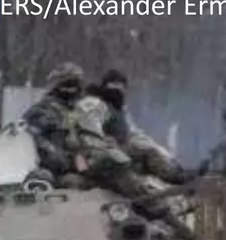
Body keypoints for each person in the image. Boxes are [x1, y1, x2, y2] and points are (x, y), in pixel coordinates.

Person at [23, 63, 185, 227]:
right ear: (57, 86)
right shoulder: (42, 112)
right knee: (106, 171)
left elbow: (105, 135)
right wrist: (69, 160)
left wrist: (108, 142)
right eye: (68, 84)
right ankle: (160, 214)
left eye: (76, 84)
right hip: (64, 169)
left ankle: (166, 201)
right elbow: (39, 144)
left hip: (88, 160)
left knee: (130, 161)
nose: (74, 89)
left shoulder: (80, 108)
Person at [90, 69, 186, 182]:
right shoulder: (98, 105)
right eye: (113, 87)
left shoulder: (120, 109)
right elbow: (92, 130)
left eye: (120, 88)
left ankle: (174, 172)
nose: (117, 92)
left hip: (122, 144)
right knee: (147, 151)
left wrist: (166, 155)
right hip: (107, 149)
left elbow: (133, 131)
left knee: (149, 148)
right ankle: (172, 176)